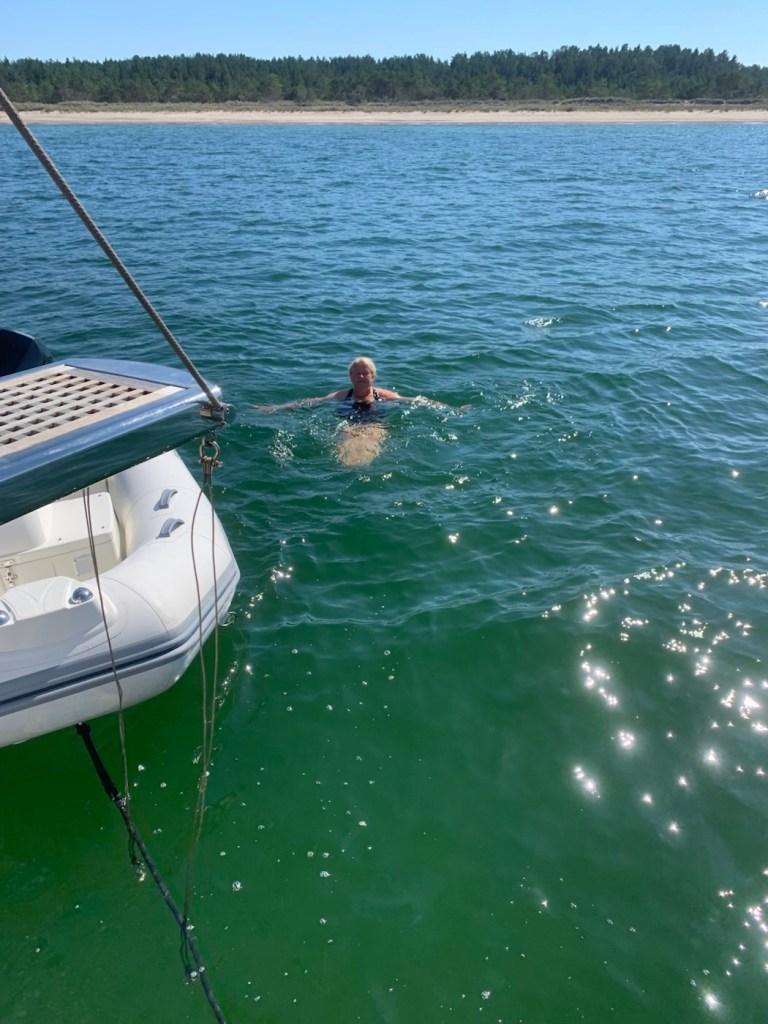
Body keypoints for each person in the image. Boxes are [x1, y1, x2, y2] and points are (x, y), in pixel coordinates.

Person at [255, 356, 467, 465]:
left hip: (374, 426)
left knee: (367, 451)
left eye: (365, 373)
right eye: (357, 373)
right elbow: (310, 402)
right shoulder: (341, 395)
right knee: (346, 455)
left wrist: (452, 409)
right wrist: (275, 409)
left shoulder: (383, 395)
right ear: (350, 376)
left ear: (373, 376)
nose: (361, 376)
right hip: (348, 425)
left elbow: (417, 401)